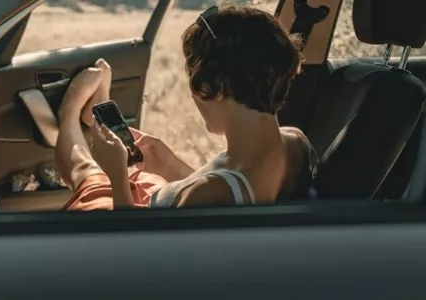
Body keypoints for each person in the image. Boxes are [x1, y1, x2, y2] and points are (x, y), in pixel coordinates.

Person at [55, 5, 312, 210]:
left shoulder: (210, 194)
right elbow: (230, 195)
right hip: (161, 197)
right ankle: (91, 113)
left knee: (88, 174)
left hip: (132, 218)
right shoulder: (295, 143)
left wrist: (118, 176)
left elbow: (140, 251)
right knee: (116, 172)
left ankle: (67, 116)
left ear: (215, 89)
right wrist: (170, 164)